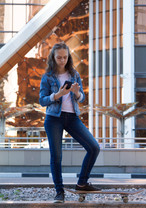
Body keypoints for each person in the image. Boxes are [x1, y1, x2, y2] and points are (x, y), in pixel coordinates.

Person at [39, 42, 100, 203]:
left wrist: (77, 92)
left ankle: (82, 184)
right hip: (54, 119)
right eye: (59, 57)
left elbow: (82, 98)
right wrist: (57, 95)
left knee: (94, 147)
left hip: (72, 117)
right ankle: (59, 192)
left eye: (65, 57)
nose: (62, 60)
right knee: (57, 156)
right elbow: (42, 100)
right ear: (53, 57)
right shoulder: (48, 77)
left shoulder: (74, 74)